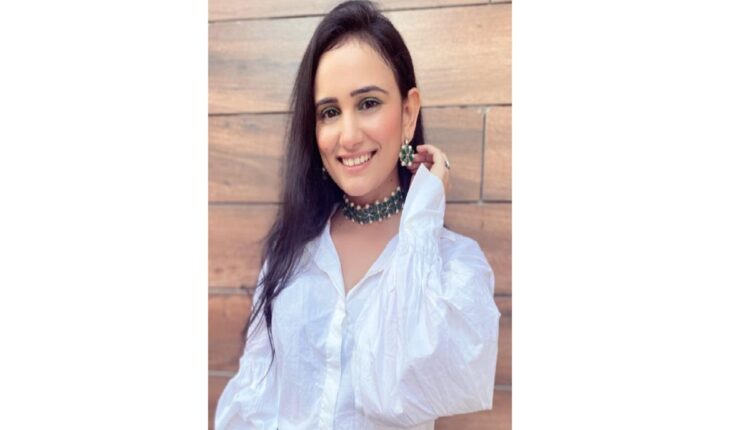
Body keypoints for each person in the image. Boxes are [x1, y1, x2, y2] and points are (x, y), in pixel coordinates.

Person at [214, 1, 501, 428]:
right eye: (329, 112)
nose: (348, 136)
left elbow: (409, 390)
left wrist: (423, 215)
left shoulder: (453, 267)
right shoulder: (291, 253)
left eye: (368, 103)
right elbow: (253, 398)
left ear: (408, 112)